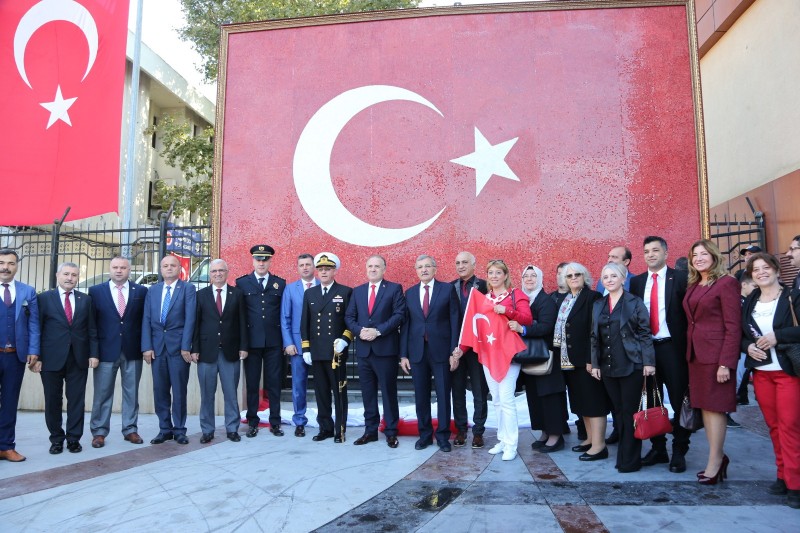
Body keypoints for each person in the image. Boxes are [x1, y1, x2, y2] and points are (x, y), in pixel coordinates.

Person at [741, 252, 800, 508]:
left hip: (787, 372)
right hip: (762, 373)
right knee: (774, 427)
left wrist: (778, 336)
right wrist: (748, 348)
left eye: (766, 268)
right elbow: (742, 334)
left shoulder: (791, 296)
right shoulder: (750, 300)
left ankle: (796, 483)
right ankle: (782, 475)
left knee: (790, 427)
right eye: (756, 270)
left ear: (776, 270)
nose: (761, 272)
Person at [630, 236, 691, 473]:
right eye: (646, 251)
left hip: (672, 349)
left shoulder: (681, 278)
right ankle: (659, 449)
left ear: (666, 253)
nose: (650, 255)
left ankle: (679, 449)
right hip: (647, 350)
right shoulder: (637, 282)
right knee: (651, 400)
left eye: (655, 250)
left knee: (678, 400)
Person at [683, 239, 740, 485]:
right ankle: (717, 456)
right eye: (695, 255)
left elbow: (733, 326)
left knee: (716, 408)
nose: (699, 258)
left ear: (714, 256)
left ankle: (715, 462)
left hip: (717, 358)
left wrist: (726, 363)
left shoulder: (727, 283)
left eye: (704, 253)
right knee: (705, 407)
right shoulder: (694, 284)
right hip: (696, 356)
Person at [591, 263, 656, 473]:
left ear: (623, 278)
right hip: (607, 366)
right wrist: (594, 364)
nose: (609, 280)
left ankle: (629, 460)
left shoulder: (634, 302)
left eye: (613, 276)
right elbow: (594, 336)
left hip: (632, 364)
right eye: (605, 277)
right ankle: (624, 455)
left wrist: (648, 362)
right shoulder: (598, 304)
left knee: (630, 412)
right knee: (618, 412)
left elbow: (645, 333)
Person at [36, 262, 98, 454]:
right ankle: (56, 439)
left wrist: (94, 354)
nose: (70, 278)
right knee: (53, 400)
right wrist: (36, 356)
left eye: (73, 275)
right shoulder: (44, 299)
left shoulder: (85, 300)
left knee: (77, 400)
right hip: (50, 358)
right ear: (57, 275)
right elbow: (36, 329)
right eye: (66, 274)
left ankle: (73, 439)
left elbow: (92, 329)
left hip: (78, 358)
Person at [345, 255, 407, 448]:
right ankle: (370, 431)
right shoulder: (358, 291)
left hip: (385, 350)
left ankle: (390, 432)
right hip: (364, 352)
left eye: (377, 266)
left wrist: (378, 330)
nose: (373, 269)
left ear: (384, 269)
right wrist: (359, 331)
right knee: (367, 393)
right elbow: (349, 316)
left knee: (388, 392)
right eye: (370, 266)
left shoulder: (394, 289)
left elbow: (399, 315)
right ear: (366, 269)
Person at [400, 255, 460, 453]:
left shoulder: (447, 289)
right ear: (416, 271)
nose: (424, 270)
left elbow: (454, 321)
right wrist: (403, 355)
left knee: (443, 395)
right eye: (420, 267)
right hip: (417, 352)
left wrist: (454, 351)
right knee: (421, 396)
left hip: (442, 351)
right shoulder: (409, 293)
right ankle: (424, 435)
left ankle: (443, 437)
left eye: (427, 266)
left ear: (435, 269)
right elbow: (406, 325)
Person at [88, 256, 148, 448]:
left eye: (123, 267)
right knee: (102, 393)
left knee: (132, 393)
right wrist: (94, 352)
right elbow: (92, 325)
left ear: (129, 270)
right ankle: (99, 432)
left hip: (132, 351)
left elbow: (144, 322)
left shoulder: (141, 291)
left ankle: (130, 429)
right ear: (110, 269)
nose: (119, 271)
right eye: (115, 267)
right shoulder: (96, 291)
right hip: (105, 351)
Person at [554, 262, 608, 461]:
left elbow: (596, 331)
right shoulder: (567, 299)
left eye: (577, 274)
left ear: (585, 277)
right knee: (580, 402)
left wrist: (591, 359)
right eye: (569, 276)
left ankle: (599, 445)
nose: (573, 278)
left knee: (594, 402)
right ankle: (590, 439)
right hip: (569, 360)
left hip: (586, 360)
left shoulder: (593, 297)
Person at [142, 255, 197, 445]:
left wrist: (185, 347)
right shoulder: (153, 290)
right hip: (157, 349)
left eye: (173, 265)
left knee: (179, 391)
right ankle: (164, 429)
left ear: (179, 268)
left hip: (178, 349)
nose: (169, 268)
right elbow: (147, 319)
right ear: (160, 268)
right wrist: (146, 347)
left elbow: (190, 319)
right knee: (160, 391)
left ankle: (180, 430)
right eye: (165, 266)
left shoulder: (188, 289)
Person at [192, 259, 248, 443]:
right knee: (207, 394)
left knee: (231, 393)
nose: (218, 274)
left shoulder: (237, 294)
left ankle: (232, 429)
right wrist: (195, 349)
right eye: (214, 271)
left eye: (221, 270)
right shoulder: (200, 295)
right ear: (210, 274)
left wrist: (243, 347)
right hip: (206, 353)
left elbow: (243, 323)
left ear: (227, 272)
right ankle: (207, 430)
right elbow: (195, 324)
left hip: (230, 351)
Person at [509, 265, 563, 452]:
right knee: (535, 397)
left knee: (549, 396)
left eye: (533, 276)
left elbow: (546, 327)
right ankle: (545, 432)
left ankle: (556, 435)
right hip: (530, 357)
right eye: (526, 276)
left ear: (540, 278)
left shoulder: (545, 301)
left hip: (546, 355)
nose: (529, 279)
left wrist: (524, 329)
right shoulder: (521, 300)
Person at [300, 253, 353, 443]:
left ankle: (340, 430)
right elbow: (304, 323)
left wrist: (345, 340)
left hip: (336, 353)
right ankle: (325, 428)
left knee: (338, 393)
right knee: (321, 393)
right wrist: (306, 349)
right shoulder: (310, 293)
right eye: (320, 269)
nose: (323, 272)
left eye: (327, 269)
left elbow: (351, 321)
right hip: (317, 352)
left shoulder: (345, 292)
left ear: (334, 271)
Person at [237, 245, 287, 438]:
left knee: (274, 383)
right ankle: (252, 422)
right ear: (253, 261)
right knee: (252, 384)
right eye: (258, 259)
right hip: (251, 342)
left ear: (270, 261)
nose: (261, 263)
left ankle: (275, 422)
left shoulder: (279, 284)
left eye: (265, 259)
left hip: (274, 342)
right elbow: (241, 316)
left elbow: (283, 314)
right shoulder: (242, 283)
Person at [0, 249, 39, 462]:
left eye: (11, 263)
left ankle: (6, 446)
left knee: (9, 402)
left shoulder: (27, 291)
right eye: (2, 262)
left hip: (15, 356)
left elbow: (34, 323)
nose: (6, 267)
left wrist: (34, 350)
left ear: (17, 266)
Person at [450, 251, 489, 449]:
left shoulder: (484, 285)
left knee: (479, 391)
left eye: (465, 262)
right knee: (457, 391)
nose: (461, 266)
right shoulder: (450, 287)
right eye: (457, 263)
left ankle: (478, 432)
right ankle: (461, 430)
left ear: (474, 264)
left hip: (477, 347)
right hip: (456, 348)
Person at [280, 253, 317, 437]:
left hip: (320, 346)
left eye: (308, 264)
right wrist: (288, 342)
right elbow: (285, 317)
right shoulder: (290, 289)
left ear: (314, 266)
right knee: (298, 386)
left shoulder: (322, 286)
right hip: (297, 345)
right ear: (298, 267)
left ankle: (324, 419)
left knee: (323, 385)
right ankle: (300, 421)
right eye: (301, 265)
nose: (305, 267)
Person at [736, 272, 757, 406]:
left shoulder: (750, 301)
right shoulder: (738, 301)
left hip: (747, 348)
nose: (757, 288)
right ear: (744, 285)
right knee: (735, 383)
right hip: (740, 349)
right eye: (754, 285)